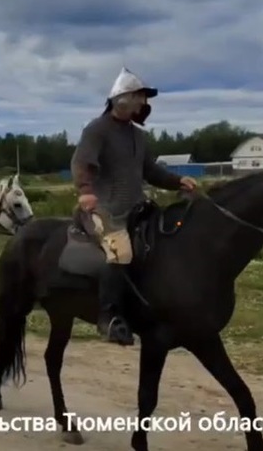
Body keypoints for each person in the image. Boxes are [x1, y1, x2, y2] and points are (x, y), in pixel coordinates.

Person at [70, 66, 198, 346]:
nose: (144, 103)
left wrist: (179, 181)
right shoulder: (97, 129)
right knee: (121, 252)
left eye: (144, 98)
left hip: (137, 207)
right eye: (139, 97)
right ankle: (109, 317)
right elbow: (81, 163)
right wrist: (86, 191)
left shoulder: (138, 136)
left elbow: (151, 172)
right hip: (104, 209)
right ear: (122, 98)